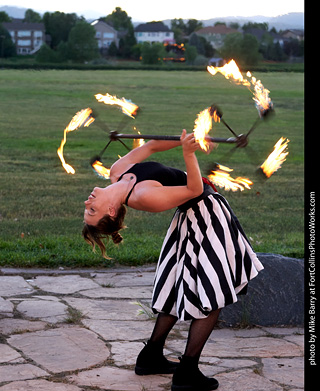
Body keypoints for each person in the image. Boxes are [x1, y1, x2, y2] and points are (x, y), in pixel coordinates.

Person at [83, 130, 264, 391]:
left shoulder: (118, 171)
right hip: (205, 216)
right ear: (111, 211)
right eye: (92, 210)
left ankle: (151, 357)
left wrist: (190, 138)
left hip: (193, 219)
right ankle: (187, 371)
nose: (87, 202)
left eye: (87, 209)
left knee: (175, 285)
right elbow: (194, 189)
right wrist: (188, 153)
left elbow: (153, 145)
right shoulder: (143, 196)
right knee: (214, 291)